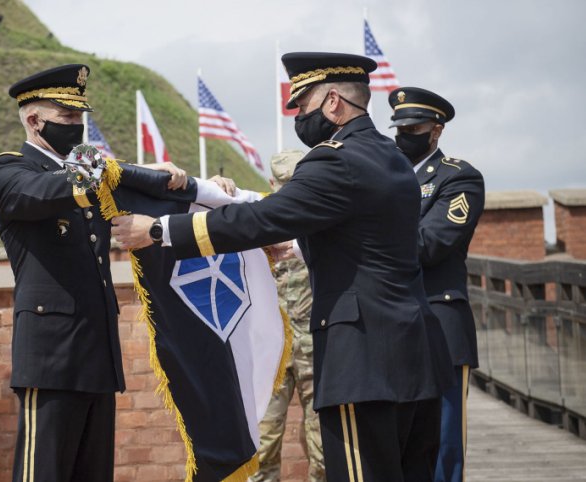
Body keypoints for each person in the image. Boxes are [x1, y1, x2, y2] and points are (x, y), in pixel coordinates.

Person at [111, 52, 455, 482]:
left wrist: (160, 230)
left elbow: (260, 219)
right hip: (417, 355)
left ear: (333, 103)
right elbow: (367, 242)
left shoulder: (335, 159)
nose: (299, 116)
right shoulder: (392, 160)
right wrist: (296, 246)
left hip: (362, 361)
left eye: (303, 105)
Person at [0, 64, 190, 482]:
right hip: (50, 353)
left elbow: (135, 189)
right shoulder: (10, 171)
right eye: (67, 117)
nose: (78, 125)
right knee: (42, 473)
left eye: (80, 116)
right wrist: (119, 169)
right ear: (33, 120)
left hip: (96, 350)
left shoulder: (87, 172)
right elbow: (60, 187)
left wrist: (193, 187)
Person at [389, 87, 485, 482]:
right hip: (392, 325)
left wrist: (364, 241)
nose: (403, 134)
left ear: (436, 131)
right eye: (399, 127)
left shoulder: (459, 178)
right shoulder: (385, 174)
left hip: (440, 321)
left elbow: (431, 243)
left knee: (443, 445)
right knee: (397, 443)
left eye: (413, 127)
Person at [251, 150, 325, 482]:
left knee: (322, 447)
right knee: (261, 445)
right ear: (272, 184)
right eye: (284, 184)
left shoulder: (324, 222)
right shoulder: (256, 222)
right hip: (270, 352)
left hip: (316, 349)